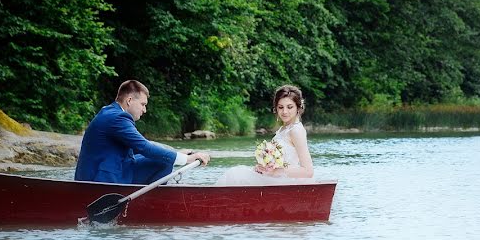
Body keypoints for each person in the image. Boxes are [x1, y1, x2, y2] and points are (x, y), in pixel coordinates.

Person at [75, 80, 210, 184]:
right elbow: (144, 147)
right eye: (143, 104)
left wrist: (175, 154)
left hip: (97, 174)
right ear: (129, 101)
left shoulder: (109, 111)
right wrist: (187, 159)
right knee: (163, 162)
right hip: (101, 181)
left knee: (161, 157)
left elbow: (134, 150)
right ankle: (148, 204)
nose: (144, 110)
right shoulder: (118, 118)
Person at [215, 85, 314, 185]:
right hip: (274, 178)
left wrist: (276, 171)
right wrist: (264, 166)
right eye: (280, 107)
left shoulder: (296, 130)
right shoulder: (284, 129)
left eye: (290, 107)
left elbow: (308, 171)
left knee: (235, 175)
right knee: (235, 173)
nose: (284, 112)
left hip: (283, 181)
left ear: (298, 107)